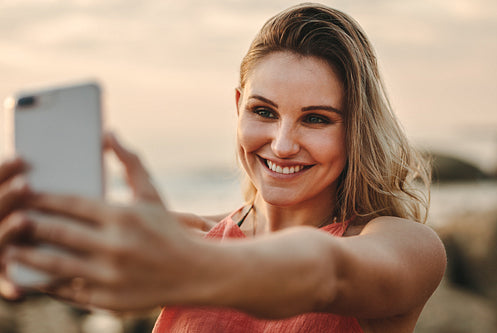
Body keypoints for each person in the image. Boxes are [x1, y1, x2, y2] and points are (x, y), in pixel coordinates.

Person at [0, 3, 446, 332]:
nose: (282, 144)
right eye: (264, 112)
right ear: (238, 107)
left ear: (357, 130)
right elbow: (76, 264)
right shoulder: (193, 239)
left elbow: (327, 274)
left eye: (316, 118)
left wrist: (186, 266)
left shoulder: (406, 246)